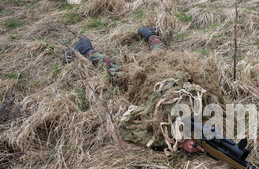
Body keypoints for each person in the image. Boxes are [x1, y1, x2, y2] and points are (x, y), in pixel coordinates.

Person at [63, 27, 204, 154]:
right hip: (152, 85)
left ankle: (150, 34)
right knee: (118, 75)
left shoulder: (196, 103)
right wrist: (179, 142)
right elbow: (140, 129)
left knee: (162, 58)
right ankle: (87, 50)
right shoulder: (161, 109)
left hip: (171, 81)